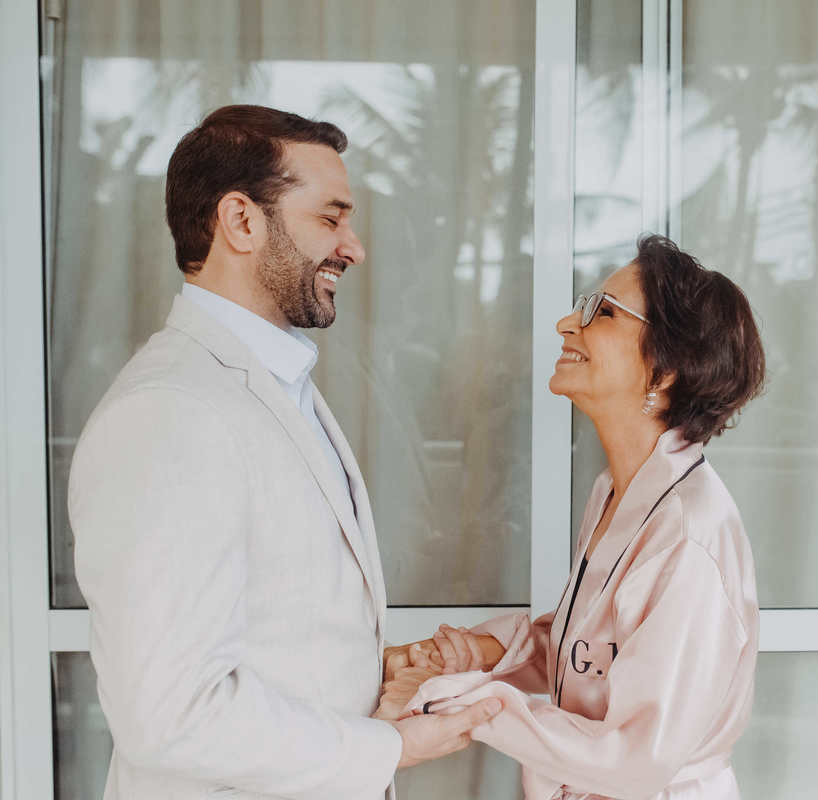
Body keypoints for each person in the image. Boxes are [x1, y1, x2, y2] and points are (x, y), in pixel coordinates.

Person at [67, 105, 500, 800]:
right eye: (330, 219)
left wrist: (364, 672)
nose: (354, 248)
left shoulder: (273, 385)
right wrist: (391, 747)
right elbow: (169, 713)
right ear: (241, 221)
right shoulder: (168, 412)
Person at [382, 235, 765, 799]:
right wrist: (474, 654)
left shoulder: (689, 537)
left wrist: (456, 698)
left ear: (665, 371)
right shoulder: (616, 490)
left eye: (603, 313)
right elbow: (590, 654)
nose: (567, 323)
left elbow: (635, 757)